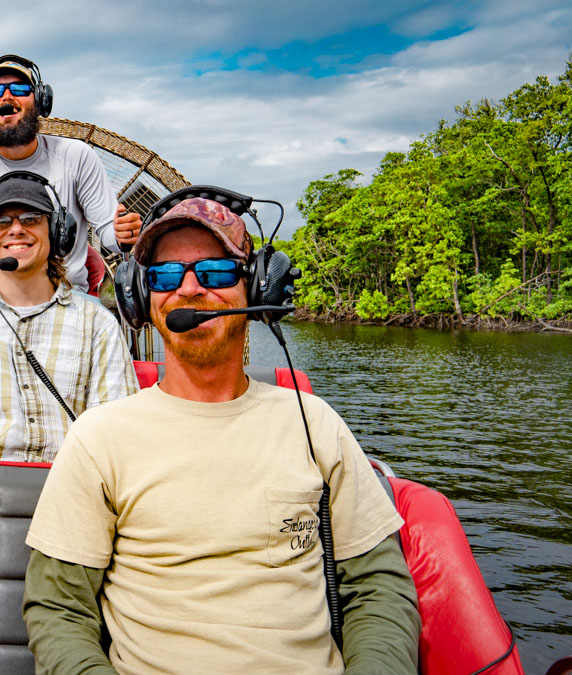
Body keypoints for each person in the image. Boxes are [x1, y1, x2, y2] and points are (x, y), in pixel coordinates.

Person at [22, 197, 421, 673]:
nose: (188, 289)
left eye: (214, 272)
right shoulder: (98, 437)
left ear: (256, 285)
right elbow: (58, 609)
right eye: (164, 277)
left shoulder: (315, 422)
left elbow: (378, 587)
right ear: (138, 297)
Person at [0, 54, 143, 355]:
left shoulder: (76, 158)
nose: (6, 96)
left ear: (41, 101)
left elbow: (108, 234)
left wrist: (122, 232)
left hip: (66, 294)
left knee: (102, 320)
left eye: (19, 89)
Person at [0, 172, 138, 463]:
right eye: (1, 222)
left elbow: (112, 438)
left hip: (74, 490)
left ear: (58, 232)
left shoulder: (98, 325)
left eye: (32, 218)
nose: (16, 229)